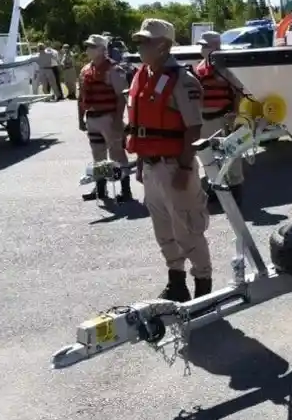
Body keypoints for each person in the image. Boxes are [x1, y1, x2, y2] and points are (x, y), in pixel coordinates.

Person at [125, 18, 212, 302]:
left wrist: (186, 168)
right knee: (164, 231)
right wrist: (140, 162)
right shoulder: (142, 75)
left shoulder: (183, 81)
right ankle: (177, 284)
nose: (140, 47)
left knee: (188, 230)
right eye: (139, 41)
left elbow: (194, 128)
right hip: (151, 166)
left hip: (175, 166)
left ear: (163, 45)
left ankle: (203, 289)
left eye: (146, 41)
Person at [78, 34, 132, 202]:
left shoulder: (114, 70)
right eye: (87, 46)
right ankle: (100, 189)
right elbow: (81, 98)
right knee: (98, 155)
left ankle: (125, 189)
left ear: (102, 49)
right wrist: (80, 119)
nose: (88, 49)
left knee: (117, 154)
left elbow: (121, 97)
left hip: (109, 117)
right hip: (92, 117)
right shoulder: (85, 69)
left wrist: (117, 120)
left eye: (92, 46)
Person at [193, 31, 245, 205]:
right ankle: (216, 185)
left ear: (215, 46)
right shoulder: (200, 65)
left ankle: (236, 186)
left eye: (204, 45)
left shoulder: (225, 67)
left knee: (231, 152)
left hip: (224, 116)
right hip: (205, 118)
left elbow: (238, 91)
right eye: (201, 45)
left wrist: (236, 113)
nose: (201, 49)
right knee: (210, 155)